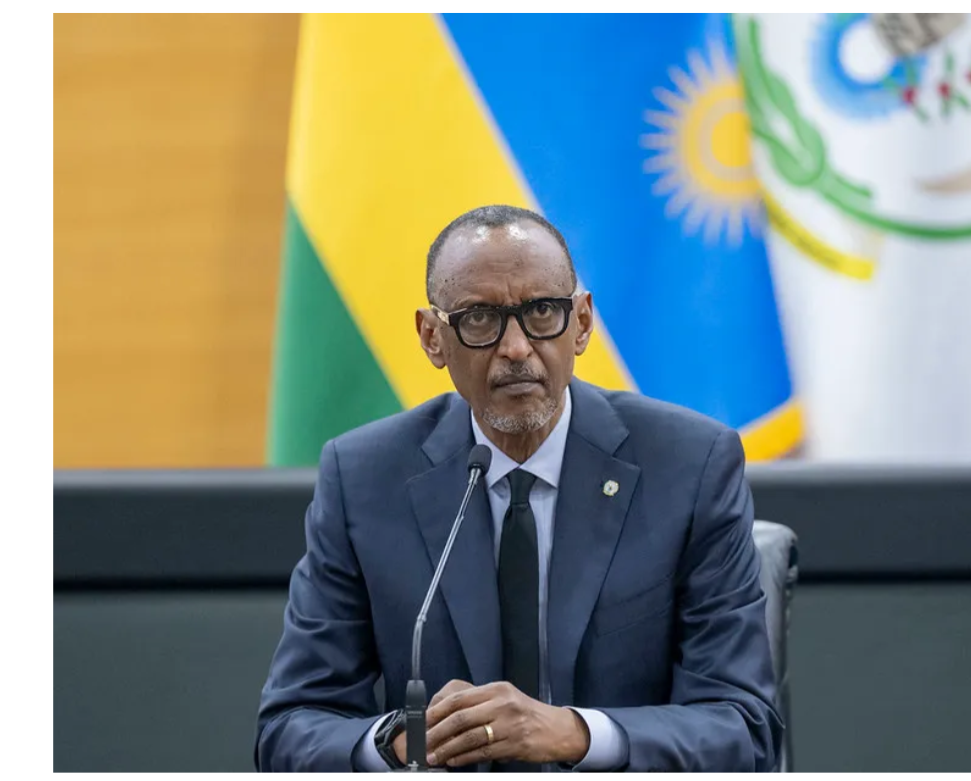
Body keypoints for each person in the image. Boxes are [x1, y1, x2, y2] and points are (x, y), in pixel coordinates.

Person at [255, 205, 783, 772]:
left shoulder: (689, 465)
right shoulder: (364, 478)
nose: (515, 347)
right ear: (433, 338)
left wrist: (576, 735)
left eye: (542, 312)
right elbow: (289, 728)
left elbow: (743, 728)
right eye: (480, 319)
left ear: (582, 323)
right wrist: (398, 743)